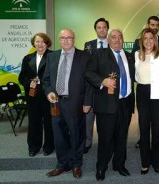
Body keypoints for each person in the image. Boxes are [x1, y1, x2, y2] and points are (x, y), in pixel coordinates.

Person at [85, 29, 135, 181]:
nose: (118, 39)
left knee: (121, 137)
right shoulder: (99, 54)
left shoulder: (128, 55)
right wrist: (102, 81)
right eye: (114, 37)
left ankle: (119, 164)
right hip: (106, 104)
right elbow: (88, 73)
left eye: (120, 37)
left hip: (125, 103)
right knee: (105, 138)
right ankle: (101, 167)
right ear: (108, 39)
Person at [43, 29, 92, 179]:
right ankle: (61, 164)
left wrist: (87, 102)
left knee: (77, 135)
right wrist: (49, 92)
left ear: (74, 39)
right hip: (56, 103)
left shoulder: (84, 56)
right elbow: (46, 80)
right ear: (59, 40)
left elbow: (89, 82)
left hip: (75, 102)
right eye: (63, 38)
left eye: (69, 38)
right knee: (59, 136)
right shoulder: (52, 56)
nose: (66, 40)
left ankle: (76, 164)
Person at [135, 28, 159, 175]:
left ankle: (156, 162)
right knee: (143, 130)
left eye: (151, 38)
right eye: (145, 38)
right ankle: (145, 163)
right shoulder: (137, 54)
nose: (148, 41)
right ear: (142, 41)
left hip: (158, 94)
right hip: (142, 92)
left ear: (155, 40)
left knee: (156, 131)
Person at [131, 16, 159, 149]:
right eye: (152, 24)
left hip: (158, 90)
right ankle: (144, 144)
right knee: (144, 123)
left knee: (157, 123)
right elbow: (134, 69)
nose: (154, 27)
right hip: (142, 90)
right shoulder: (137, 51)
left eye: (157, 25)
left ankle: (157, 143)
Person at [18, 33, 54, 157]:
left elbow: (55, 76)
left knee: (49, 122)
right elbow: (21, 77)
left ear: (47, 43)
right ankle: (33, 147)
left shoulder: (53, 56)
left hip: (48, 95)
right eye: (37, 41)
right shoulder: (27, 58)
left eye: (43, 41)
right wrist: (30, 82)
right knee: (34, 122)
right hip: (33, 95)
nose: (40, 44)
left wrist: (43, 82)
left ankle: (49, 146)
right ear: (34, 43)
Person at [83, 18, 109, 154]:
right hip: (90, 87)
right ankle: (87, 143)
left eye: (104, 27)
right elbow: (86, 68)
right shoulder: (88, 45)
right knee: (88, 119)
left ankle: (104, 143)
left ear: (107, 29)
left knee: (104, 121)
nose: (102, 30)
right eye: (99, 27)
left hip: (107, 88)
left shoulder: (113, 43)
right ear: (95, 30)